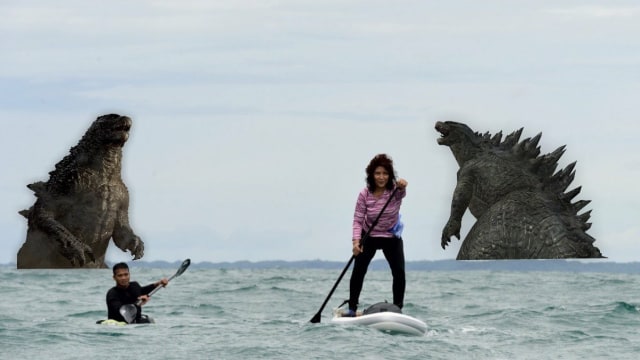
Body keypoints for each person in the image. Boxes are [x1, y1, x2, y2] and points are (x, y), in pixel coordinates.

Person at [346, 154, 408, 317]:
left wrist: (402, 185)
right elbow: (358, 220)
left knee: (399, 272)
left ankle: (398, 308)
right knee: (358, 271)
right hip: (369, 236)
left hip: (391, 236)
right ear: (371, 175)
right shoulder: (364, 194)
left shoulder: (395, 191)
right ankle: (352, 308)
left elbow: (402, 191)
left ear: (390, 176)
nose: (381, 177)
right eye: (377, 173)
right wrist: (356, 242)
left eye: (385, 173)